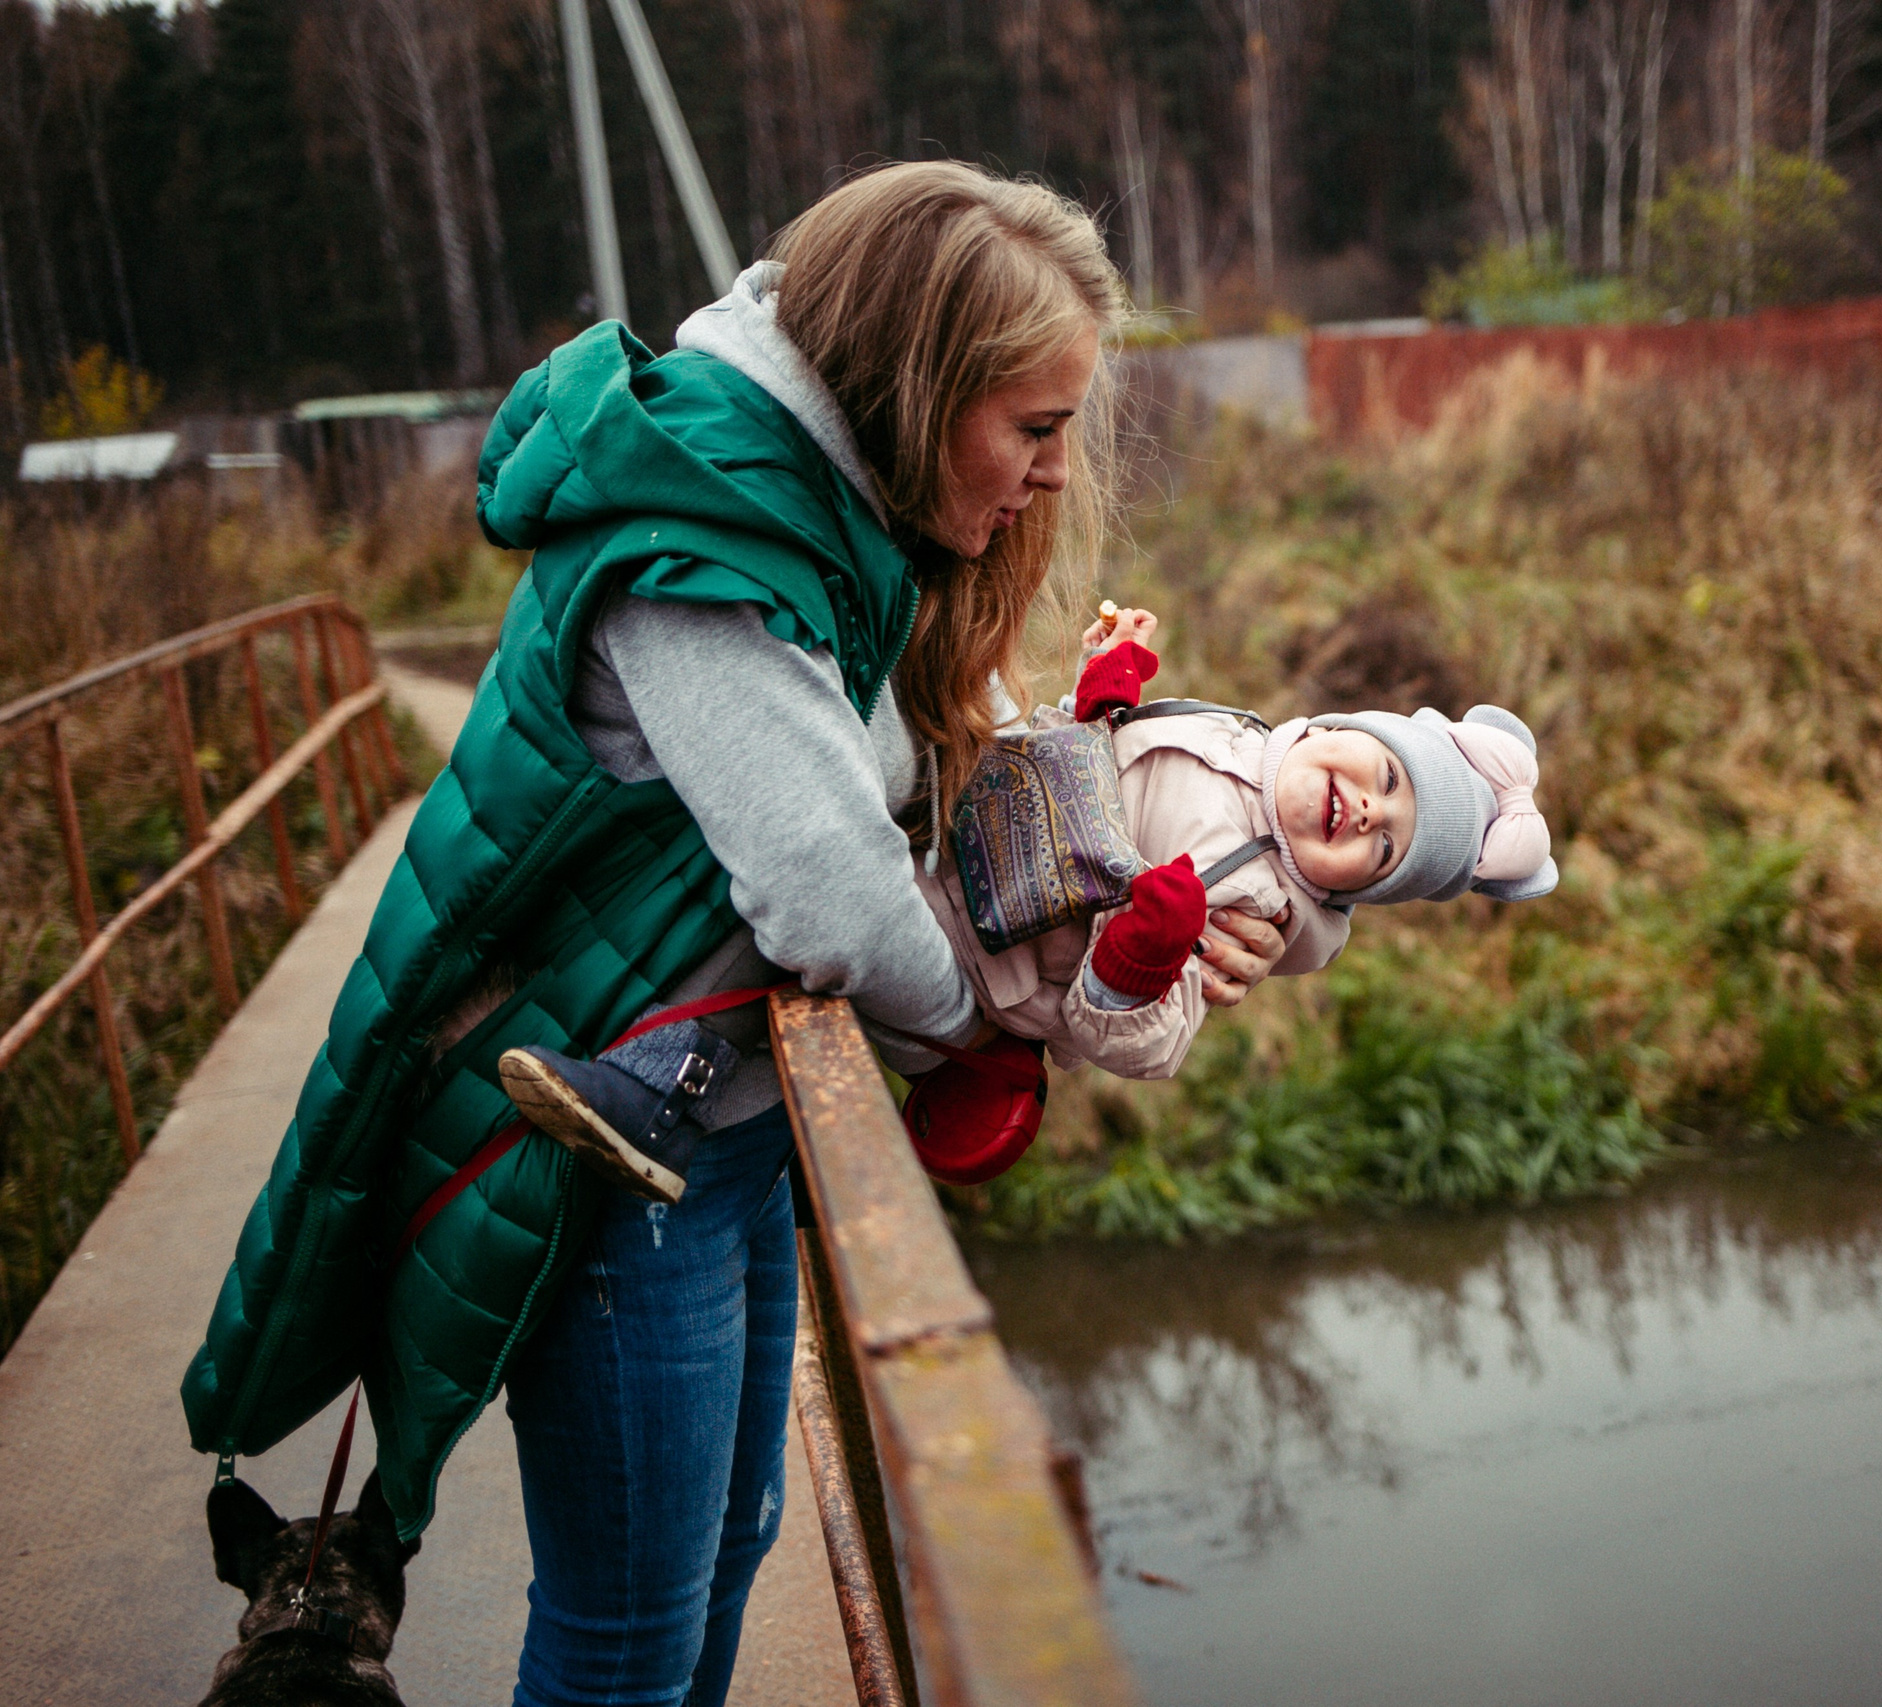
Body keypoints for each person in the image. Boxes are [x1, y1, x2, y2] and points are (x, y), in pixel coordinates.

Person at [181, 161, 1287, 1707]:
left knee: (729, 1546)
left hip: (721, 1124)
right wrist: (984, 1023)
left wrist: (1192, 871)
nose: (1053, 473)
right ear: (917, 389)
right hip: (608, 1157)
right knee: (627, 1627)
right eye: (1034, 427)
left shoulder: (818, 521)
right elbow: (830, 890)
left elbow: (906, 795)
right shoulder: (708, 555)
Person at [499, 602, 1558, 1189]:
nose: (1365, 810)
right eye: (1383, 775)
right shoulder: (1233, 735)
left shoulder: (1256, 905)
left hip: (987, 955)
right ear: (1333, 728)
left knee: (807, 914)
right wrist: (1100, 701)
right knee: (800, 854)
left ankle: (654, 1091)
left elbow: (1144, 1043)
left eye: (1383, 848)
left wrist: (1136, 963)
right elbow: (1079, 771)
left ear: (1357, 891)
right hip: (975, 838)